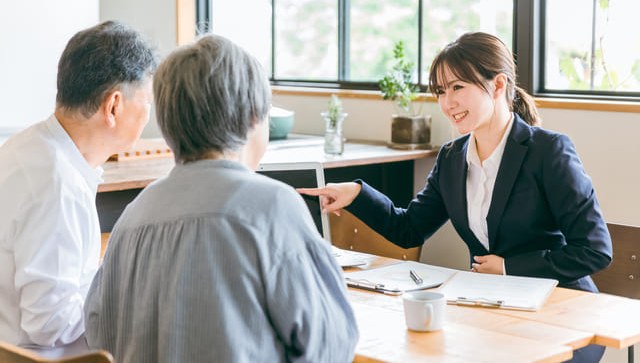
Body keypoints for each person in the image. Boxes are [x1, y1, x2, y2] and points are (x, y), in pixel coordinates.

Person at [299, 32, 612, 363]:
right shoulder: (451, 158)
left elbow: (595, 250)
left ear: (498, 85)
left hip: (562, 314)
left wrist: (508, 267)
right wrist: (357, 194)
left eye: (458, 87)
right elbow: (409, 229)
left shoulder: (548, 151)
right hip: (491, 311)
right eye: (440, 91)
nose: (447, 102)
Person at [84, 34, 359, 363]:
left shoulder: (134, 216)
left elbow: (98, 331)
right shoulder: (272, 207)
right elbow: (331, 344)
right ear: (253, 117)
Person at [0, 21, 157, 355]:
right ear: (114, 105)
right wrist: (126, 297)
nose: (148, 115)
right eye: (147, 102)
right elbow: (50, 324)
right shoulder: (58, 183)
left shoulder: (26, 147)